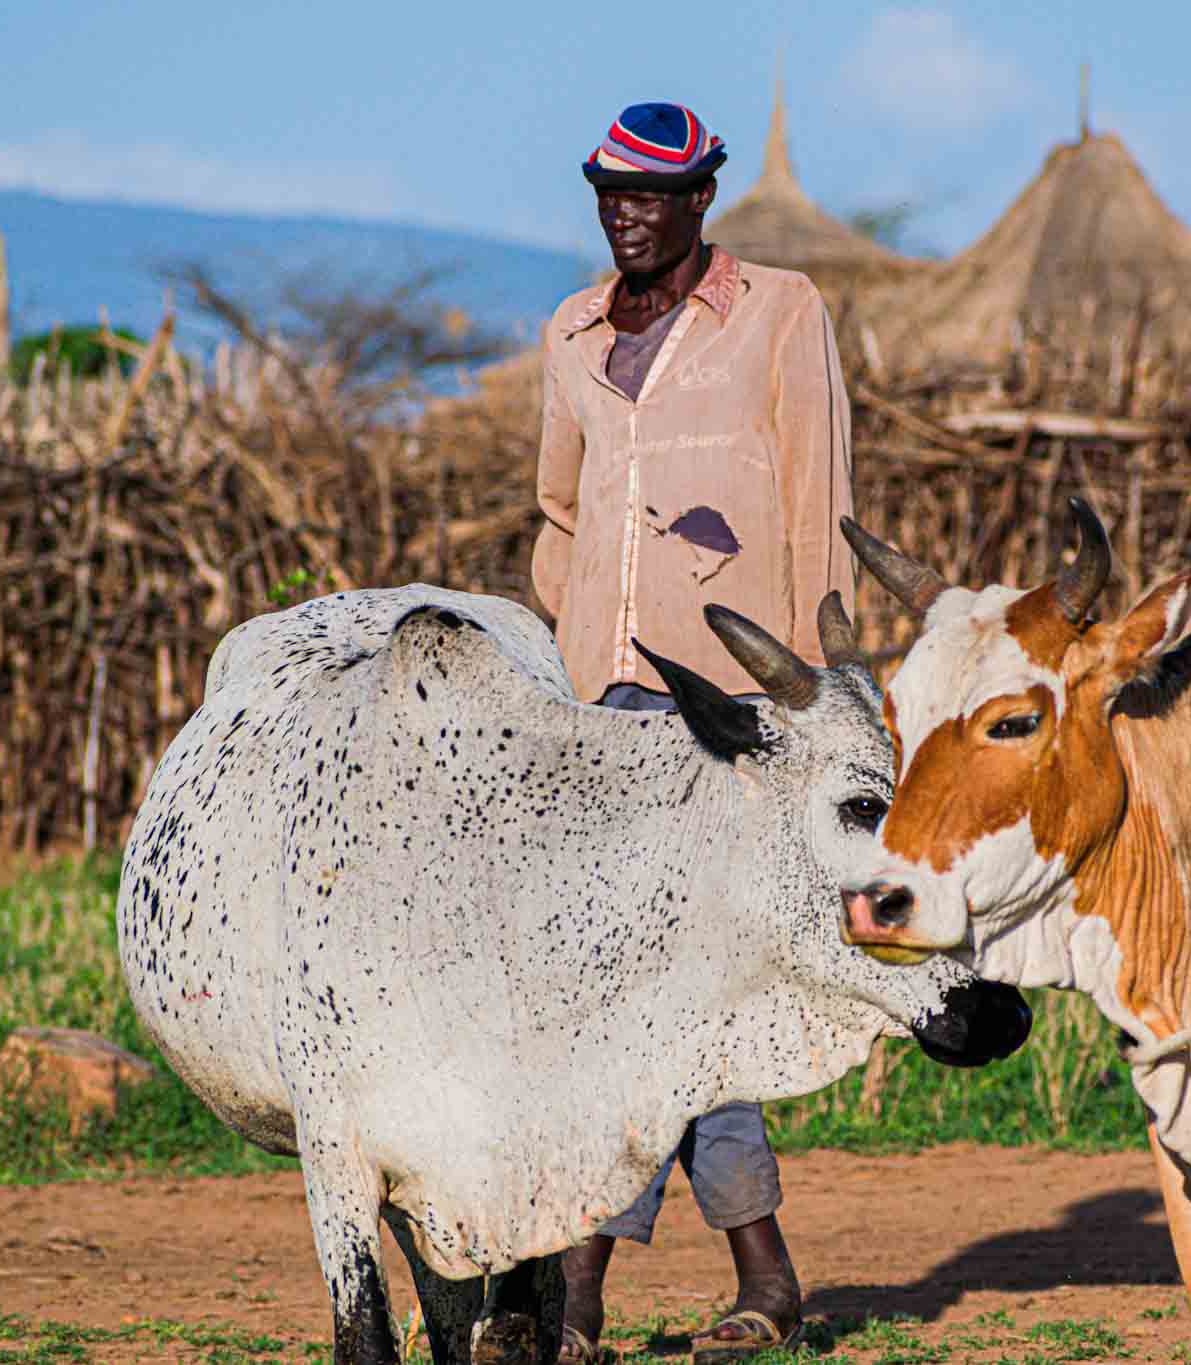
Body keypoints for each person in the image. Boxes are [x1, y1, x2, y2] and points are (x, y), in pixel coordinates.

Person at [523, 100, 854, 1364]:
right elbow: (559, 511)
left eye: (651, 194)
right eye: (608, 189)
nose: (625, 211)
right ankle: (755, 1278)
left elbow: (816, 498)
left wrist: (808, 698)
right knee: (637, 995)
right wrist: (577, 658)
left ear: (701, 197)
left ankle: (583, 1288)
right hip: (601, 710)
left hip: (726, 707)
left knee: (663, 992)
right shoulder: (567, 330)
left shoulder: (778, 310)